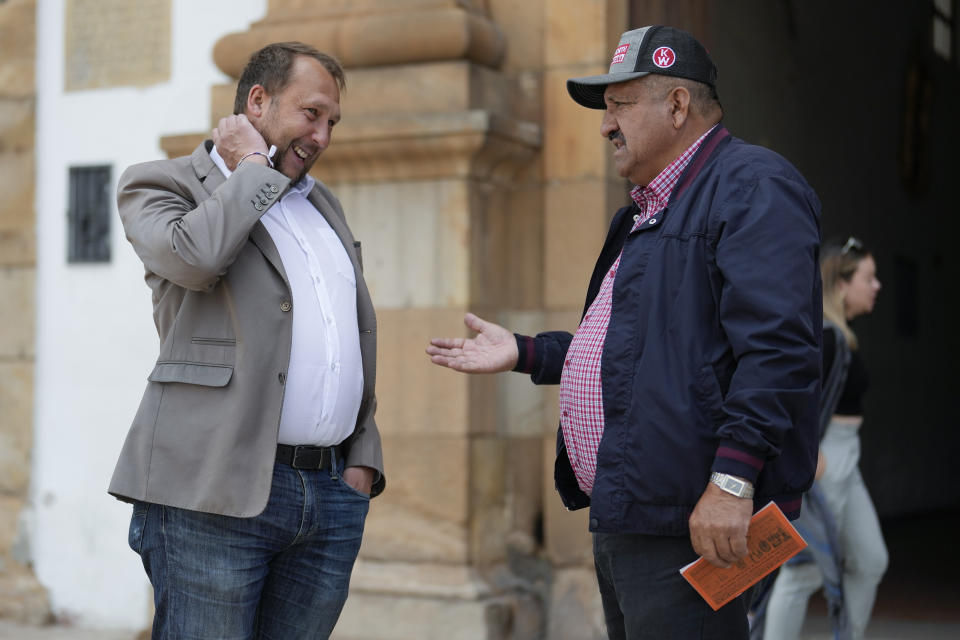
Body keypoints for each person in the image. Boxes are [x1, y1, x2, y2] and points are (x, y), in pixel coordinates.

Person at [426, 25, 822, 640]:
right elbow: (639, 350)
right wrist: (527, 352)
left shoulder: (750, 184)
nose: (605, 125)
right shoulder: (647, 210)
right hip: (633, 515)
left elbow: (780, 351)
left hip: (691, 521)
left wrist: (732, 481)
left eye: (620, 106)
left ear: (678, 105)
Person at [108, 42, 385, 639]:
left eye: (332, 122)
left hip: (331, 495)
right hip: (213, 491)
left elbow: (347, 333)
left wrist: (362, 457)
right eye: (311, 114)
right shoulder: (160, 184)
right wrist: (253, 170)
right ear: (257, 101)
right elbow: (195, 258)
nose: (323, 137)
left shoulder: (323, 206)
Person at [760, 237, 887, 640]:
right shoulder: (827, 338)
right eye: (869, 277)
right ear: (841, 284)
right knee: (803, 569)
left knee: (870, 560)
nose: (877, 285)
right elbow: (791, 398)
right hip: (826, 461)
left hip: (847, 458)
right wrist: (807, 455)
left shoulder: (840, 336)